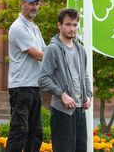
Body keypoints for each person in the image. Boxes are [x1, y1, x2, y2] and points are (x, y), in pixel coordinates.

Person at [39, 8, 92, 152]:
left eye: (75, 25)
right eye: (68, 24)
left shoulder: (81, 49)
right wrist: (62, 94)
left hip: (80, 110)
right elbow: (43, 78)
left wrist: (88, 95)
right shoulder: (53, 49)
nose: (72, 28)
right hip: (62, 111)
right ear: (59, 25)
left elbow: (85, 75)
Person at [6, 0, 46, 152]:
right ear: (23, 4)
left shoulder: (34, 27)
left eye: (37, 4)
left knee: (36, 133)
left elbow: (45, 50)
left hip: (34, 86)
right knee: (19, 131)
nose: (34, 7)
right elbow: (37, 54)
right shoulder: (17, 27)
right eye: (31, 3)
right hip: (21, 87)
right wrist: (61, 57)